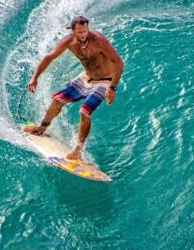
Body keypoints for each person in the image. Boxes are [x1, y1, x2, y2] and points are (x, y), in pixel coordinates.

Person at [23, 15, 124, 160]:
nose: (84, 35)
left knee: (84, 111)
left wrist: (112, 88)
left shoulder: (98, 40)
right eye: (80, 32)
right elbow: (48, 57)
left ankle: (78, 150)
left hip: (104, 81)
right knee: (58, 100)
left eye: (85, 31)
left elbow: (119, 62)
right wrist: (34, 78)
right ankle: (42, 128)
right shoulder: (68, 42)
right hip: (86, 78)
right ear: (73, 31)